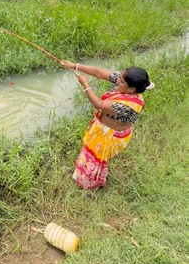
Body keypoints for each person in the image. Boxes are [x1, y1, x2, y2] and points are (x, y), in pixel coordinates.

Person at [61, 60, 155, 190]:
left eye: (121, 81)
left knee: (96, 159)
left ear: (132, 89)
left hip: (111, 136)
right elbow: (99, 72)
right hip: (103, 128)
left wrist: (85, 85)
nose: (118, 81)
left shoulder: (127, 106)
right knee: (89, 152)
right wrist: (74, 66)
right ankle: (81, 173)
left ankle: (90, 185)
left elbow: (99, 105)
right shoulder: (125, 82)